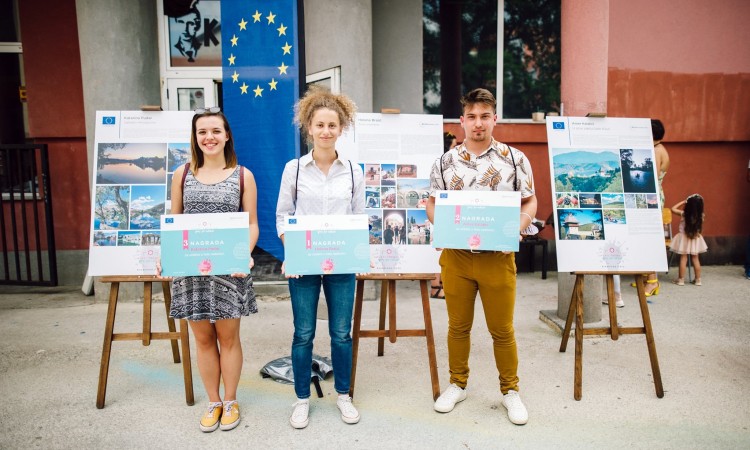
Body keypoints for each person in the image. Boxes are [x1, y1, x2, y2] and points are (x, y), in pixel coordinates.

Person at [426, 88, 537, 425]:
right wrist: (442, 226)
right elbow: (431, 202)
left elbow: (530, 201)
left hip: (497, 258)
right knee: (458, 327)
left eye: (484, 116)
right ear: (462, 121)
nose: (478, 123)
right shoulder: (445, 162)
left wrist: (517, 226)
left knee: (502, 329)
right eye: (471, 117)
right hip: (457, 258)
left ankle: (510, 391)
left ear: (494, 118)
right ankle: (457, 384)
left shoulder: (514, 160)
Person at [163, 107, 259, 432]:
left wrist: (244, 254)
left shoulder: (243, 175)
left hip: (230, 271)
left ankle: (230, 400)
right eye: (203, 132)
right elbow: (174, 224)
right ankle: (213, 401)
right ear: (195, 137)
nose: (209, 137)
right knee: (203, 339)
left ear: (227, 135)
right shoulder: (182, 174)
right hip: (191, 271)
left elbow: (252, 224)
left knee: (228, 338)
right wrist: (167, 255)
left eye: (216, 131)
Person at [275, 87, 365, 429]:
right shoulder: (294, 170)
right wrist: (292, 252)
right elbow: (283, 216)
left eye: (333, 125)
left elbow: (359, 218)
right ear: (308, 128)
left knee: (341, 333)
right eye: (320, 125)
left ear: (341, 129)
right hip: (304, 263)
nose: (326, 131)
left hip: (341, 263)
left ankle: (343, 395)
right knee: (304, 332)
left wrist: (357, 254)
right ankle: (301, 399)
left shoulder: (354, 172)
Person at [430, 132, 458, 299]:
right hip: (439, 207)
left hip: (447, 207)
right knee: (438, 248)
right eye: (453, 145)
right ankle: (435, 286)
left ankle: (439, 285)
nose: (455, 148)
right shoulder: (440, 163)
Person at [670, 194, 707, 286]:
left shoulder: (683, 214)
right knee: (695, 258)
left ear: (688, 205)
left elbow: (673, 209)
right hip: (695, 238)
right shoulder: (701, 215)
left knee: (683, 258)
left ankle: (681, 280)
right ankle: (698, 280)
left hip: (683, 239)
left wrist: (683, 202)